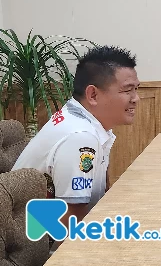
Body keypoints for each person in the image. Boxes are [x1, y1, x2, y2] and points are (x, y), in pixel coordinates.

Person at [12, 45, 140, 233]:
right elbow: (71, 220)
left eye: (137, 89)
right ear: (93, 95)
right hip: (40, 249)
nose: (136, 98)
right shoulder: (81, 137)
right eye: (127, 90)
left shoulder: (81, 120)